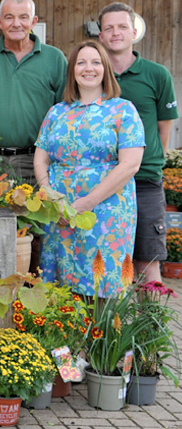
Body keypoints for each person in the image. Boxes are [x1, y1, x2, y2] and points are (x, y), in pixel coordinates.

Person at [34, 41, 145, 297]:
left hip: (106, 211)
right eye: (81, 62)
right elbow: (41, 159)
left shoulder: (122, 110)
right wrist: (51, 196)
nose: (88, 68)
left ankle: (102, 335)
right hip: (60, 211)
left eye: (95, 62)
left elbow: (131, 164)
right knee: (60, 286)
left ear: (105, 69)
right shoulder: (56, 113)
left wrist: (88, 202)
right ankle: (63, 336)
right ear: (72, 70)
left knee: (100, 283)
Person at [98, 2, 179, 283]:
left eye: (122, 27)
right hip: (101, 181)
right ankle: (107, 326)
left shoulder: (157, 75)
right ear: (100, 36)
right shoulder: (92, 74)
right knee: (103, 260)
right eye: (109, 28)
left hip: (144, 182)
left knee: (148, 262)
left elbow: (163, 127)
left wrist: (151, 161)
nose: (116, 33)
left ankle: (150, 327)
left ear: (134, 32)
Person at [0, 0, 67, 183]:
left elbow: (67, 112)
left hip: (36, 164)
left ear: (33, 21)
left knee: (32, 213)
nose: (16, 23)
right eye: (9, 17)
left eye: (23, 17)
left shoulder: (54, 59)